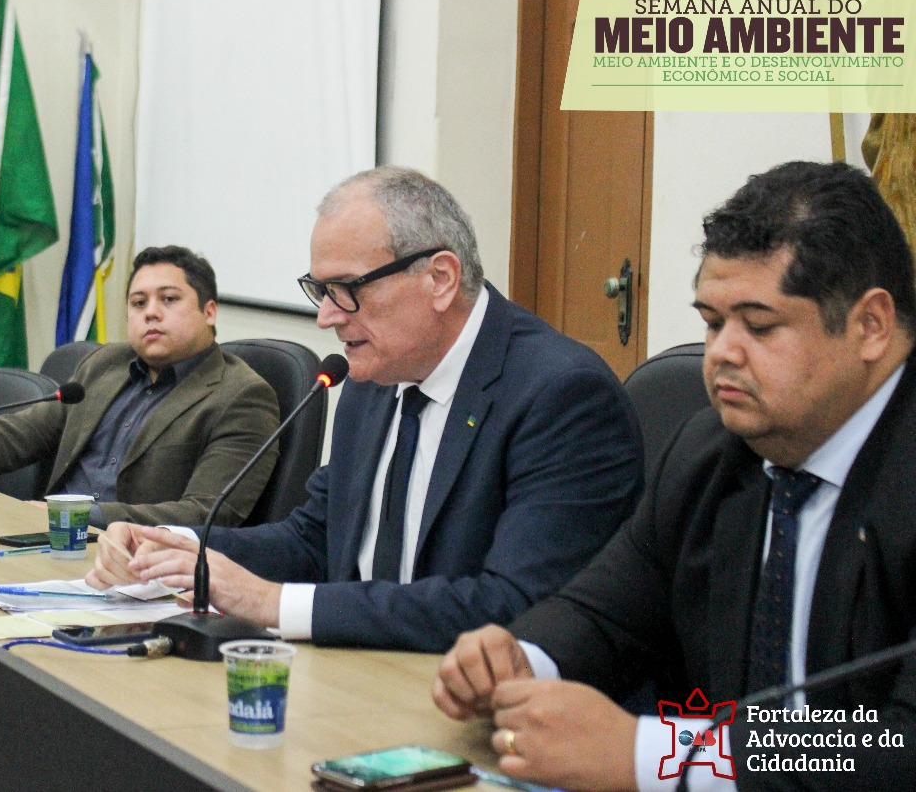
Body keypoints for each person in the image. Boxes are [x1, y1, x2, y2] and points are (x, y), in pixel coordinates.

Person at [433, 161, 916, 791]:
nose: (722, 353)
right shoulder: (710, 453)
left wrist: (660, 755)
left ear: (870, 325)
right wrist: (519, 660)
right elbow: (607, 614)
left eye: (760, 326)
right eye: (713, 323)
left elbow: (900, 742)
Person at [86, 166, 642, 652]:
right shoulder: (373, 376)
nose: (327, 316)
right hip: (366, 674)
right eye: (320, 290)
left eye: (347, 289)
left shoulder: (560, 395)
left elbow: (516, 605)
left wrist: (275, 603)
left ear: (440, 279)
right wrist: (176, 546)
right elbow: (314, 539)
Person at [0, 245, 280, 527]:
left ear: (209, 312)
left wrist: (72, 516)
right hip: (46, 538)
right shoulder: (105, 365)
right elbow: (19, 432)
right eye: (138, 303)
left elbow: (207, 514)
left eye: (168, 300)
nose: (151, 313)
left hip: (128, 561)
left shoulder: (241, 396)